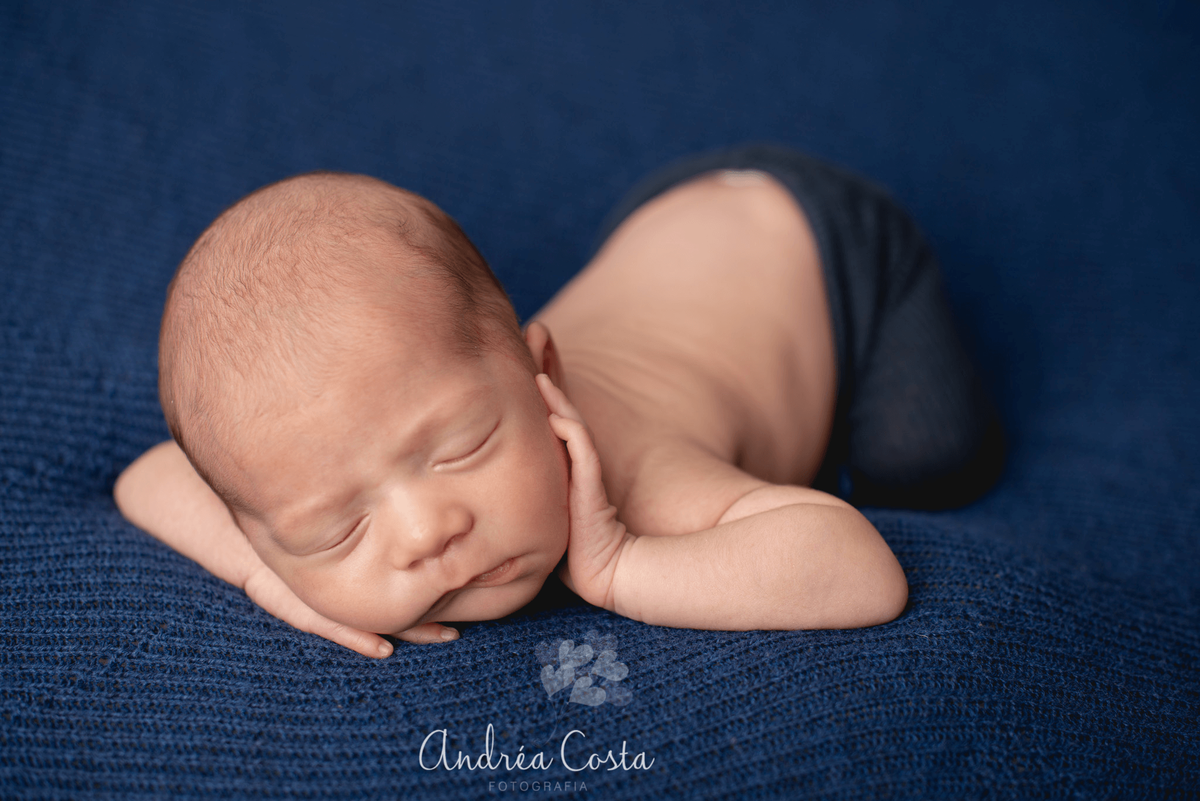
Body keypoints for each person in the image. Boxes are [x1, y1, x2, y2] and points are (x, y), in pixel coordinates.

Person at [113, 144, 1004, 659]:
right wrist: (271, 574)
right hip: (666, 234)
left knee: (930, 457)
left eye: (461, 446)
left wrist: (623, 567)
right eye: (334, 530)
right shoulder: (290, 491)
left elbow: (863, 573)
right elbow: (148, 479)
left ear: (543, 375)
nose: (427, 532)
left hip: (832, 252)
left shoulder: (637, 480)